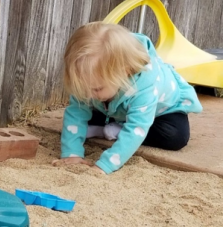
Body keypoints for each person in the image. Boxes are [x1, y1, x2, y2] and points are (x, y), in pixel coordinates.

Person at [52, 21, 202, 174]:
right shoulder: (92, 81)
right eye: (84, 88)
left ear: (125, 72)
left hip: (161, 112)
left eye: (96, 88)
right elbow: (75, 113)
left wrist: (104, 166)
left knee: (176, 136)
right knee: (77, 119)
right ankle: (108, 127)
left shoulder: (145, 85)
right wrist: (72, 154)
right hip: (114, 108)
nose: (88, 94)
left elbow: (136, 129)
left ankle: (116, 129)